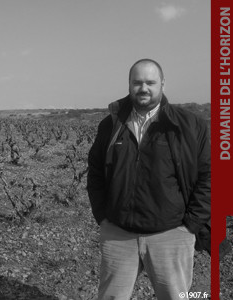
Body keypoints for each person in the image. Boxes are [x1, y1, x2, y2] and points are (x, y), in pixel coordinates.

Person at [86, 58, 211, 300]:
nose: (144, 88)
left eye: (150, 82)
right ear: (130, 84)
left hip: (171, 234)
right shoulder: (111, 125)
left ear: (163, 84)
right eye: (137, 82)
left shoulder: (189, 125)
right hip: (118, 234)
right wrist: (102, 216)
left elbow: (209, 176)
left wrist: (191, 225)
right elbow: (96, 172)